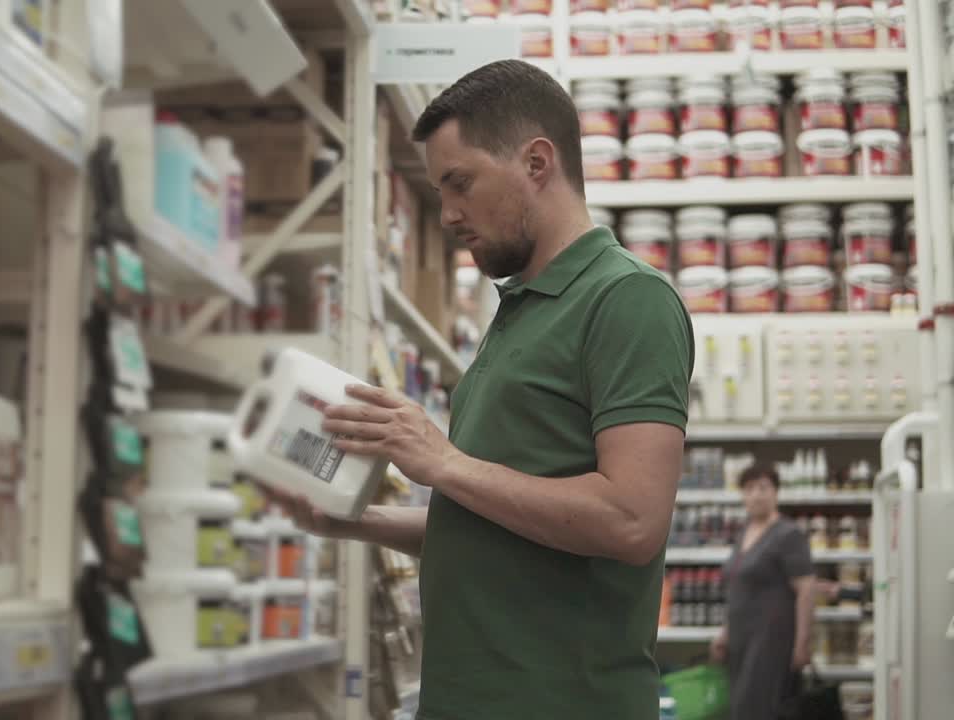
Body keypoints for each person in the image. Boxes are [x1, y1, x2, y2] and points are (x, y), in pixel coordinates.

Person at [265, 60, 694, 719]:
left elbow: (633, 520)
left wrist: (445, 462)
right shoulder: (520, 312)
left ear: (537, 162)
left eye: (460, 183)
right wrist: (355, 520)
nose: (448, 213)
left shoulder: (626, 298)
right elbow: (490, 527)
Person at [709, 464, 816, 720]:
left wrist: (803, 642)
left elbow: (806, 588)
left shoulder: (788, 534)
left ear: (776, 493)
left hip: (770, 640)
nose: (756, 495)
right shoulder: (744, 533)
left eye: (763, 488)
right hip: (741, 640)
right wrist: (724, 633)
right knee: (740, 706)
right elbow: (739, 588)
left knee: (759, 708)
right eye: (749, 489)